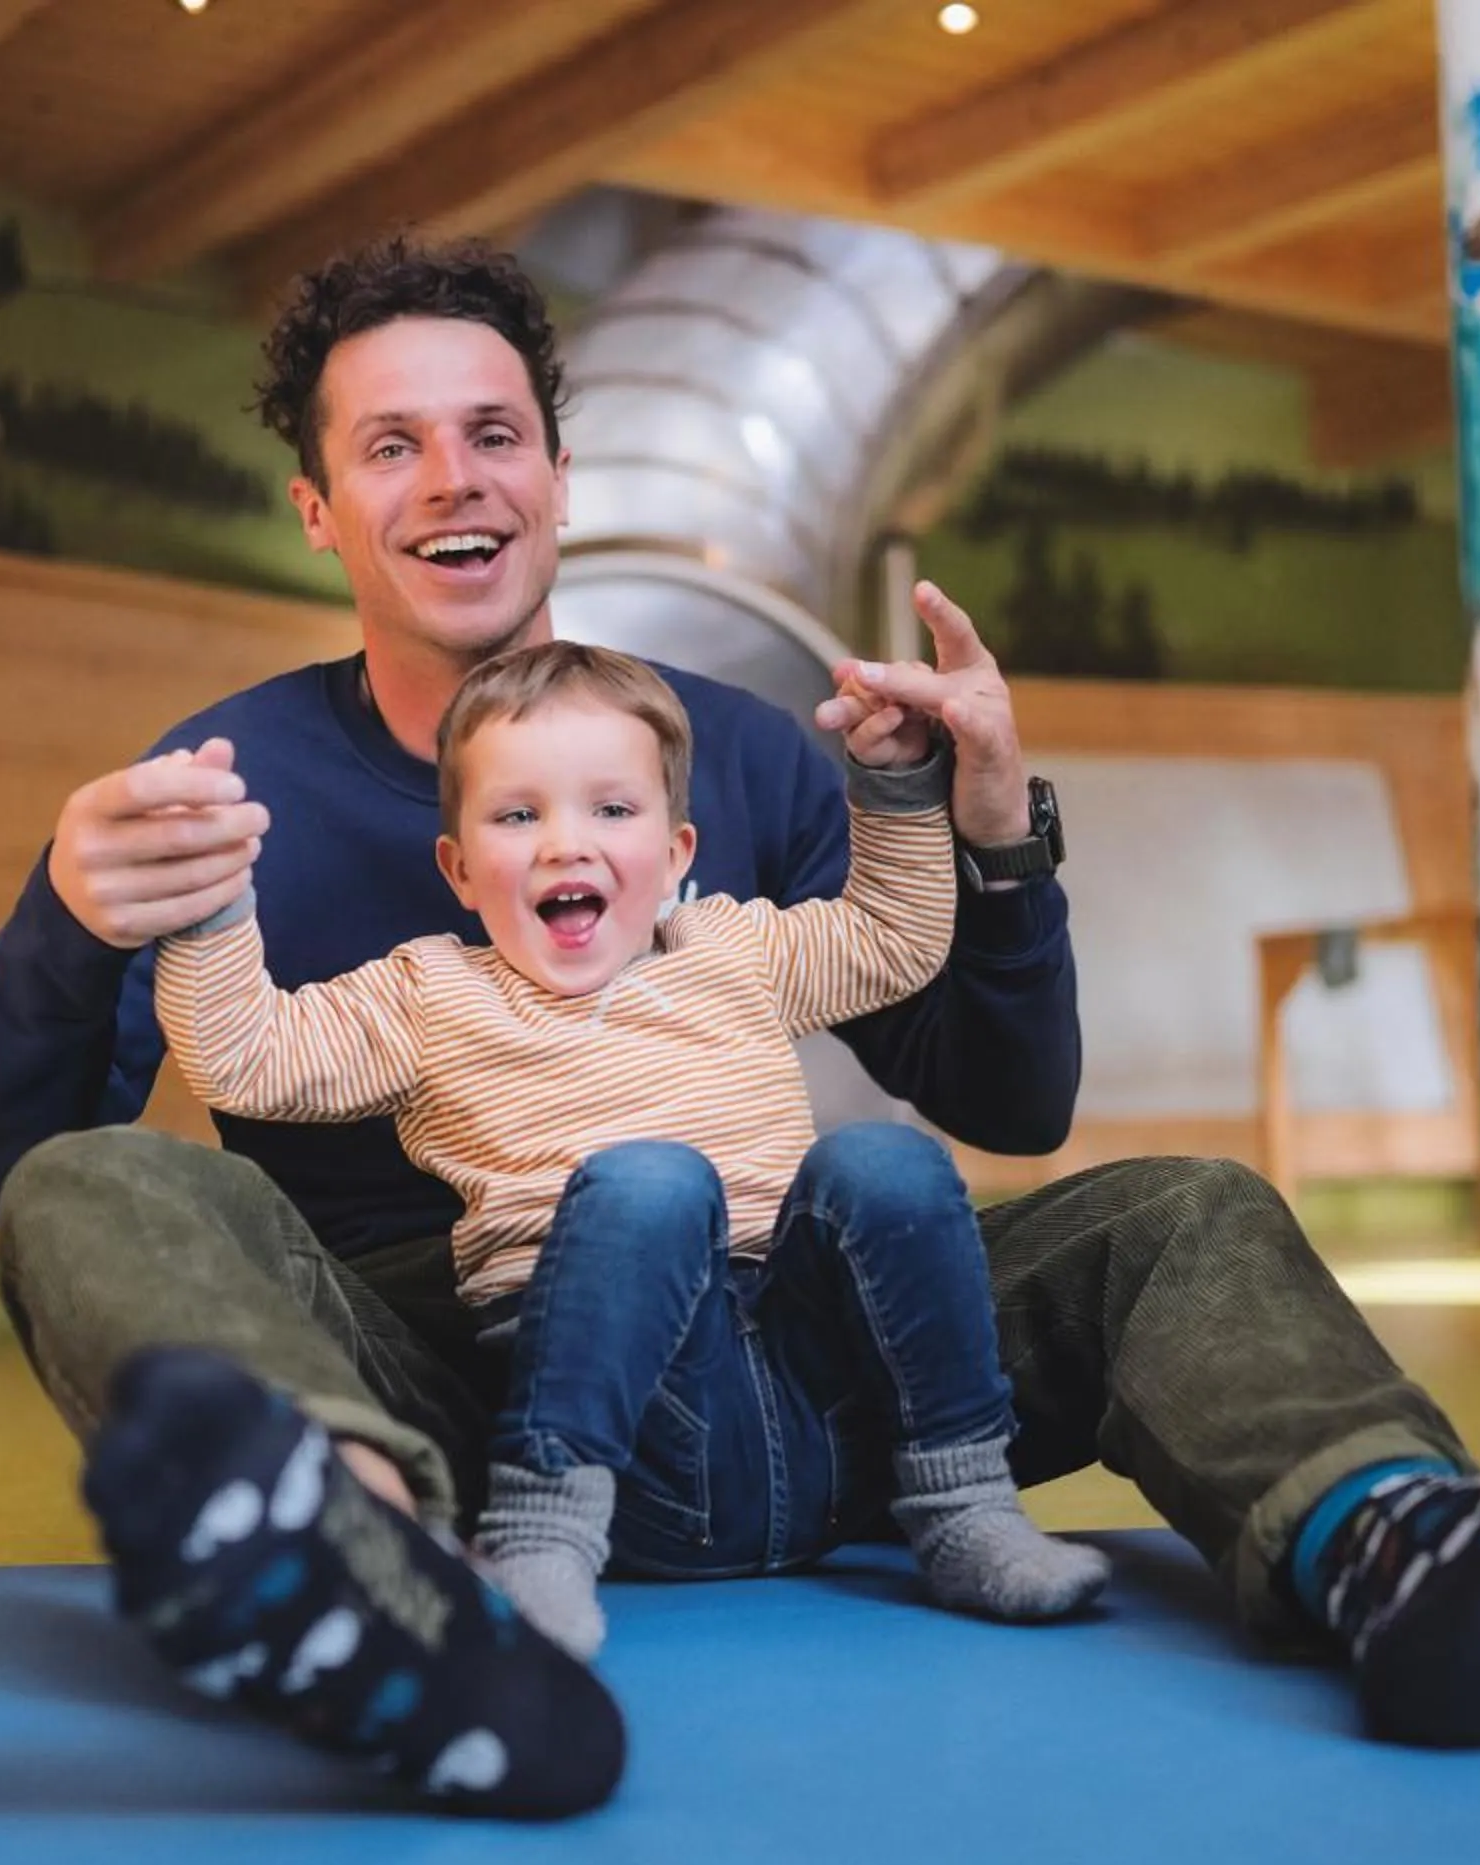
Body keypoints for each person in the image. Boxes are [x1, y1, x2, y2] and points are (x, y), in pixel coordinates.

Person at [0, 235, 1480, 1818]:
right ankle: (371, 1577)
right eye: (392, 444)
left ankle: (1410, 1557)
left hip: (796, 1346)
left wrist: (987, 836)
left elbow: (1008, 1099)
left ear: (555, 472)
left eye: (495, 431)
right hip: (447, 1363)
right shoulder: (228, 778)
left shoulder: (730, 754)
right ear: (319, 511)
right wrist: (77, 918)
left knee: (1176, 1211)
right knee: (98, 1179)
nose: (455, 478)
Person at [150, 639, 1108, 1661]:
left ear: (678, 852)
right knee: (654, 1180)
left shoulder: (733, 947)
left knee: (886, 1162)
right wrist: (212, 901)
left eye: (612, 809)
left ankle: (966, 1510)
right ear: (459, 868)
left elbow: (894, 941)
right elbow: (247, 1058)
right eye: (519, 817)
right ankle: (541, 1535)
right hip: (633, 1433)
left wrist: (899, 784)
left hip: (817, 1405)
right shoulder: (430, 995)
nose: (567, 845)